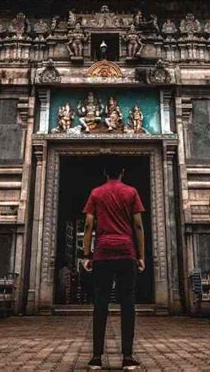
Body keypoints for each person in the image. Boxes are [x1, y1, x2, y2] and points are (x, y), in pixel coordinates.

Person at [83, 157, 145, 371]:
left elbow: (89, 224)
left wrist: (86, 255)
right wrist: (140, 256)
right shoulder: (131, 192)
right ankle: (127, 357)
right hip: (126, 251)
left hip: (102, 252)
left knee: (100, 302)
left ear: (104, 173)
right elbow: (138, 225)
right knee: (127, 302)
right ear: (123, 172)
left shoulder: (96, 193)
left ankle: (96, 358)